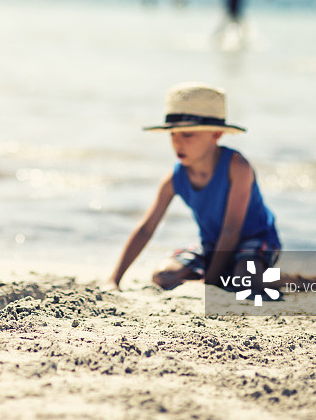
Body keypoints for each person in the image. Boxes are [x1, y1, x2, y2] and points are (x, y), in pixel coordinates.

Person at [108, 82, 281, 293]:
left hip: (255, 240)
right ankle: (223, 273)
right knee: (162, 275)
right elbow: (146, 228)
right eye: (172, 134)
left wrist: (209, 282)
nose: (178, 143)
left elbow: (231, 230)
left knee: (244, 280)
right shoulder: (174, 178)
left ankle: (287, 280)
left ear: (216, 134)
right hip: (212, 244)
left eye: (188, 135)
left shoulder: (237, 167)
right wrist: (114, 279)